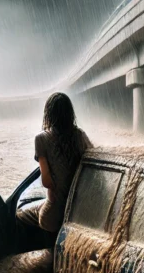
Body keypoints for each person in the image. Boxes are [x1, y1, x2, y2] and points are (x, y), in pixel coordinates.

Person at [17, 93, 93, 235]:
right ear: (70, 113)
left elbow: (47, 182)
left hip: (54, 214)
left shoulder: (41, 139)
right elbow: (93, 160)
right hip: (78, 213)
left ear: (48, 113)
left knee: (20, 213)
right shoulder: (80, 136)